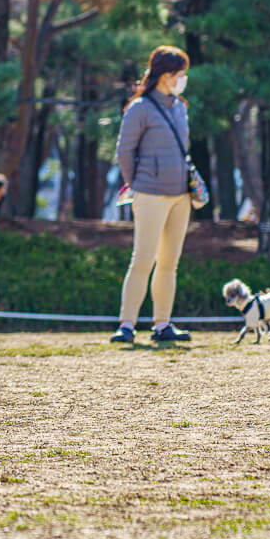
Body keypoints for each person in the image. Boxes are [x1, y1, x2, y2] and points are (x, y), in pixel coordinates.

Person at [109, 46, 195, 346]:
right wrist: (138, 183)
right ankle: (127, 324)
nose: (182, 79)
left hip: (181, 196)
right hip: (150, 195)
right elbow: (124, 151)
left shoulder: (179, 107)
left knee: (169, 262)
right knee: (142, 259)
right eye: (179, 74)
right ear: (165, 74)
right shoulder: (140, 108)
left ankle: (162, 323)